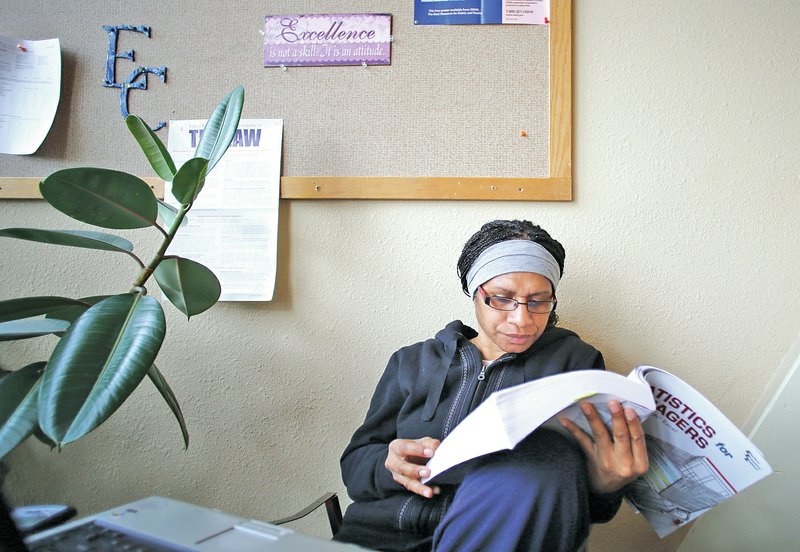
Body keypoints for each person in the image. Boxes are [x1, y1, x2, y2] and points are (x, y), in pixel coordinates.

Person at [334, 220, 649, 552]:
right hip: (379, 537)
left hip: (502, 538)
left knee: (551, 457)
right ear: (475, 291)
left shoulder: (573, 365)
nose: (522, 320)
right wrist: (389, 464)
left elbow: (570, 499)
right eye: (502, 299)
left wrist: (607, 486)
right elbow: (355, 468)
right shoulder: (412, 361)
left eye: (539, 302)